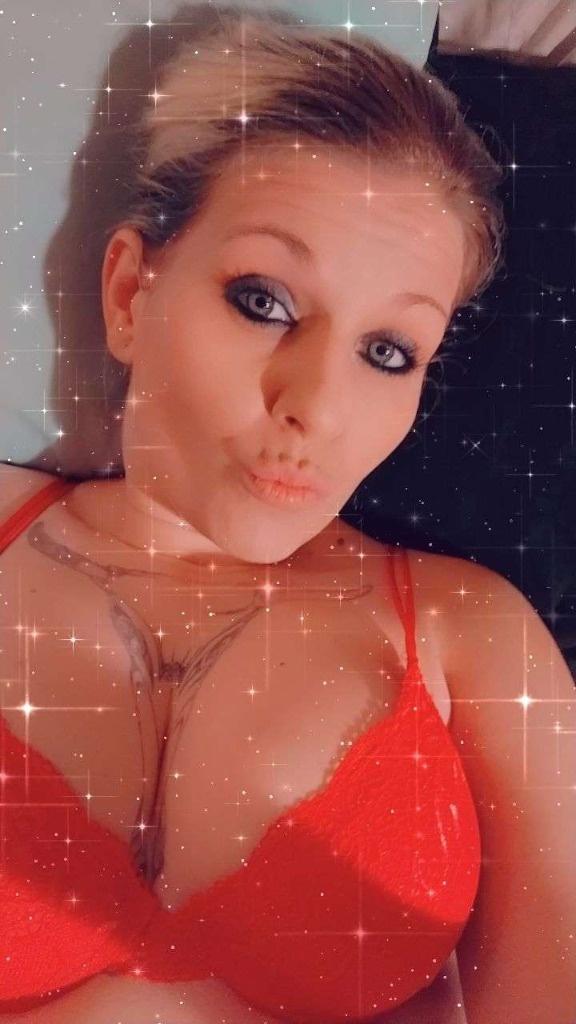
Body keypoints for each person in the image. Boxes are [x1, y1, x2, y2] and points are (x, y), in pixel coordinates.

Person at [0, 7, 574, 1023]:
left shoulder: (473, 636)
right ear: (130, 293)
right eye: (265, 301)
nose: (317, 406)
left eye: (388, 352)